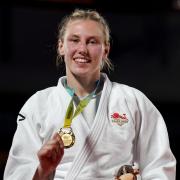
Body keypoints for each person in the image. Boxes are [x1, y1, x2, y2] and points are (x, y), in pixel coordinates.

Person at [4, 9, 176, 180]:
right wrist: (43, 170)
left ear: (106, 50)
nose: (82, 49)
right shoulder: (38, 104)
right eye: (74, 40)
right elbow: (16, 173)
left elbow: (159, 167)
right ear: (61, 46)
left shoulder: (133, 101)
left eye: (92, 42)